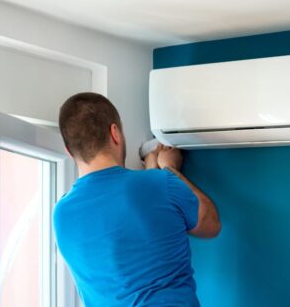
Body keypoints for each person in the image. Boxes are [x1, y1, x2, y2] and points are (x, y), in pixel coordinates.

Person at [53, 92, 220, 307]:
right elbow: (211, 225)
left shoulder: (61, 215)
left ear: (69, 151)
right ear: (115, 133)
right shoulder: (162, 184)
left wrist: (153, 171)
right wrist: (170, 169)